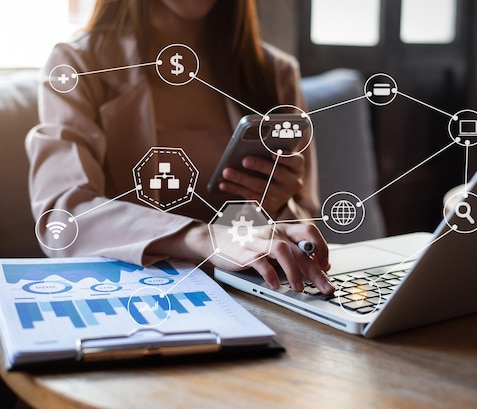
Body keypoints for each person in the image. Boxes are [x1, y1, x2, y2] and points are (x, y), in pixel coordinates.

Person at [25, 0, 335, 295]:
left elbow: (300, 214)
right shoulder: (79, 65)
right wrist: (202, 237)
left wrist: (278, 209)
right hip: (134, 302)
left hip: (258, 296)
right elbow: (63, 216)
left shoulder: (275, 72)